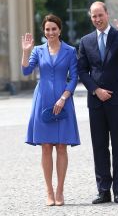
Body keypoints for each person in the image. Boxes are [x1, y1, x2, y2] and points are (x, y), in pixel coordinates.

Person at [78, 1, 118, 204]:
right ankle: (103, 190)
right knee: (99, 146)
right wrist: (96, 90)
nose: (97, 19)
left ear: (107, 14)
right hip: (96, 100)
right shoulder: (85, 41)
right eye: (93, 16)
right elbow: (81, 70)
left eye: (99, 15)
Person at [21, 14, 80, 206]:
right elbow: (26, 71)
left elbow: (74, 78)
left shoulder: (70, 51)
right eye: (47, 29)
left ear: (60, 30)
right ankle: (49, 191)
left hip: (63, 101)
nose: (51, 32)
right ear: (44, 31)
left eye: (54, 29)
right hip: (43, 101)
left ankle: (60, 190)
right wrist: (25, 52)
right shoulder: (37, 50)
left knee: (62, 146)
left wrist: (64, 97)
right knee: (46, 147)